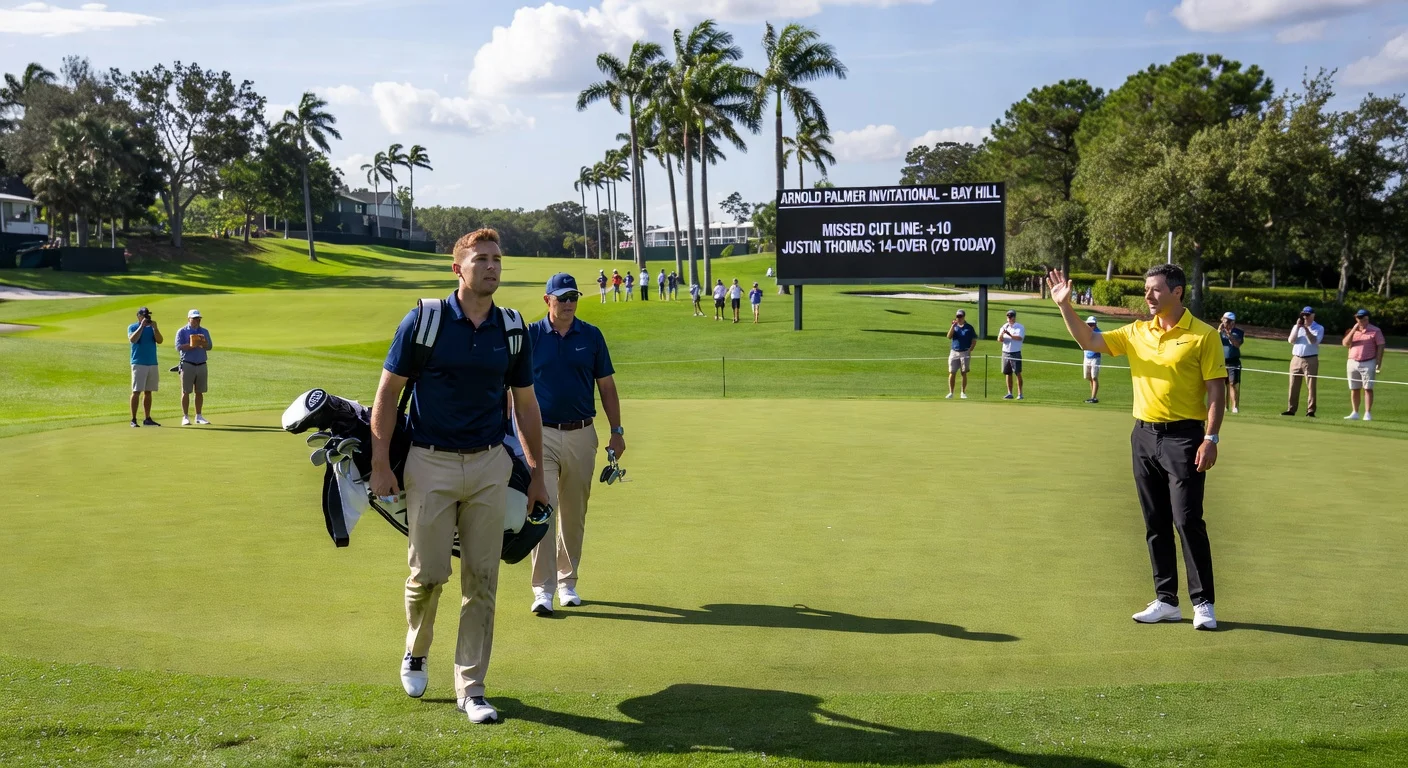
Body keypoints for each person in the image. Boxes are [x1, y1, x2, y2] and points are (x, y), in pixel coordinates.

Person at [369, 228, 550, 725]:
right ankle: (416, 649)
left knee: (483, 580)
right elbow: (387, 394)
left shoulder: (512, 328)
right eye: (481, 259)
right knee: (428, 575)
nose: (492, 267)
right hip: (429, 463)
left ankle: (471, 688)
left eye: (497, 259)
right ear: (458, 268)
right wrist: (382, 463)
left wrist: (536, 473)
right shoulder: (424, 320)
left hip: (491, 464)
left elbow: (526, 405)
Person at [1048, 264, 1225, 631]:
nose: (1148, 295)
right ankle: (1166, 601)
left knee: (1187, 519)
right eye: (1146, 289)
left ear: (1177, 292)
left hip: (1185, 437)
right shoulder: (1136, 332)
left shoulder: (1203, 335)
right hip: (1143, 436)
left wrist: (1211, 437)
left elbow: (1216, 390)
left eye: (1155, 289)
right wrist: (1066, 306)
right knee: (1155, 521)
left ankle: (1203, 603)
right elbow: (1090, 342)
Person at [527, 273, 627, 616]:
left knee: (573, 513)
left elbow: (607, 387)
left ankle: (567, 582)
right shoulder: (530, 336)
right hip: (540, 434)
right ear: (547, 300)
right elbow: (513, 389)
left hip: (583, 433)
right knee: (543, 508)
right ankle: (543, 590)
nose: (568, 303)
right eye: (561, 297)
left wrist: (617, 430)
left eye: (573, 297)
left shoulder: (592, 336)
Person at [1342, 308, 1387, 421]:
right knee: (1354, 388)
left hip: (1368, 361)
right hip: (1352, 361)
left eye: (1362, 318)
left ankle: (1367, 413)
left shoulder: (1375, 330)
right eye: (1358, 318)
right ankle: (1355, 412)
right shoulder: (1353, 330)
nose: (1360, 320)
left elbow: (1381, 346)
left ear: (1367, 318)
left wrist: (1378, 362)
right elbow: (1345, 343)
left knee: (1368, 388)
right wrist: (1353, 330)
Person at [1283, 306, 1323, 417]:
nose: (1305, 317)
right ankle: (1291, 409)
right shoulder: (1297, 326)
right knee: (1293, 385)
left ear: (1313, 315)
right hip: (1296, 358)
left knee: (1311, 386)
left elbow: (1314, 341)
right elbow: (1291, 340)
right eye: (1304, 315)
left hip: (1311, 359)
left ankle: (1310, 410)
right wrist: (1298, 327)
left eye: (1308, 315)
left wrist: (1305, 329)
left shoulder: (1318, 328)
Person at [175, 309, 213, 426]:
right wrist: (192, 345)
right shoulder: (182, 331)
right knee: (186, 391)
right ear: (189, 319)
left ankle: (199, 416)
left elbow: (210, 346)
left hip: (201, 363)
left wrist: (203, 344)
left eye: (198, 318)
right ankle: (185, 416)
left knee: (199, 391)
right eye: (194, 318)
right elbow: (178, 347)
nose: (197, 321)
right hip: (188, 363)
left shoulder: (204, 331)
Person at [127, 306, 164, 427]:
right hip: (138, 362)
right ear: (139, 316)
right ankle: (133, 419)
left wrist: (155, 328)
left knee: (148, 392)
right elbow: (133, 339)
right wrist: (141, 326)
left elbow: (160, 340)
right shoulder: (133, 327)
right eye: (144, 315)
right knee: (136, 391)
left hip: (152, 362)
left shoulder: (152, 328)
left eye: (148, 316)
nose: (147, 318)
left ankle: (147, 418)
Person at [945, 309, 977, 399]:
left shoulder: (969, 327)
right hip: (954, 352)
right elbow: (949, 336)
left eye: (960, 316)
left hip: (965, 352)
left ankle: (963, 392)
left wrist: (969, 350)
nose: (959, 318)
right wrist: (952, 326)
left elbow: (974, 341)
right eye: (957, 316)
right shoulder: (954, 327)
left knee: (964, 372)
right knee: (952, 372)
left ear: (964, 317)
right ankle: (951, 392)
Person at [1218, 312, 1244, 414]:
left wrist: (1229, 334)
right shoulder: (1218, 332)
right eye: (1224, 320)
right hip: (1221, 361)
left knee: (1232, 384)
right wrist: (1219, 332)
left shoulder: (1238, 332)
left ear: (1233, 322)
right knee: (1222, 384)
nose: (1225, 323)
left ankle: (1235, 407)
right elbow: (1212, 342)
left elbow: (1237, 344)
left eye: (1228, 321)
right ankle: (1224, 406)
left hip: (1233, 361)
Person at [998, 309, 1025, 400]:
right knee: (1007, 373)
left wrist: (1009, 334)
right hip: (1005, 352)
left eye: (1011, 316)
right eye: (1008, 317)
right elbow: (1000, 340)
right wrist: (1002, 334)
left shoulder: (1019, 327)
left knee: (1017, 373)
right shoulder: (1004, 327)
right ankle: (1009, 393)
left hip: (1015, 352)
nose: (1010, 318)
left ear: (1014, 317)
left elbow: (1019, 338)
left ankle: (1020, 394)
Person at [1082, 316, 1101, 404]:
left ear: (1095, 324)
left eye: (1092, 324)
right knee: (1088, 377)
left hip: (1095, 357)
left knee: (1094, 377)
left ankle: (1093, 397)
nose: (1090, 325)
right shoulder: (1085, 332)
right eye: (1089, 324)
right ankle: (1092, 396)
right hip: (1087, 357)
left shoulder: (1099, 333)